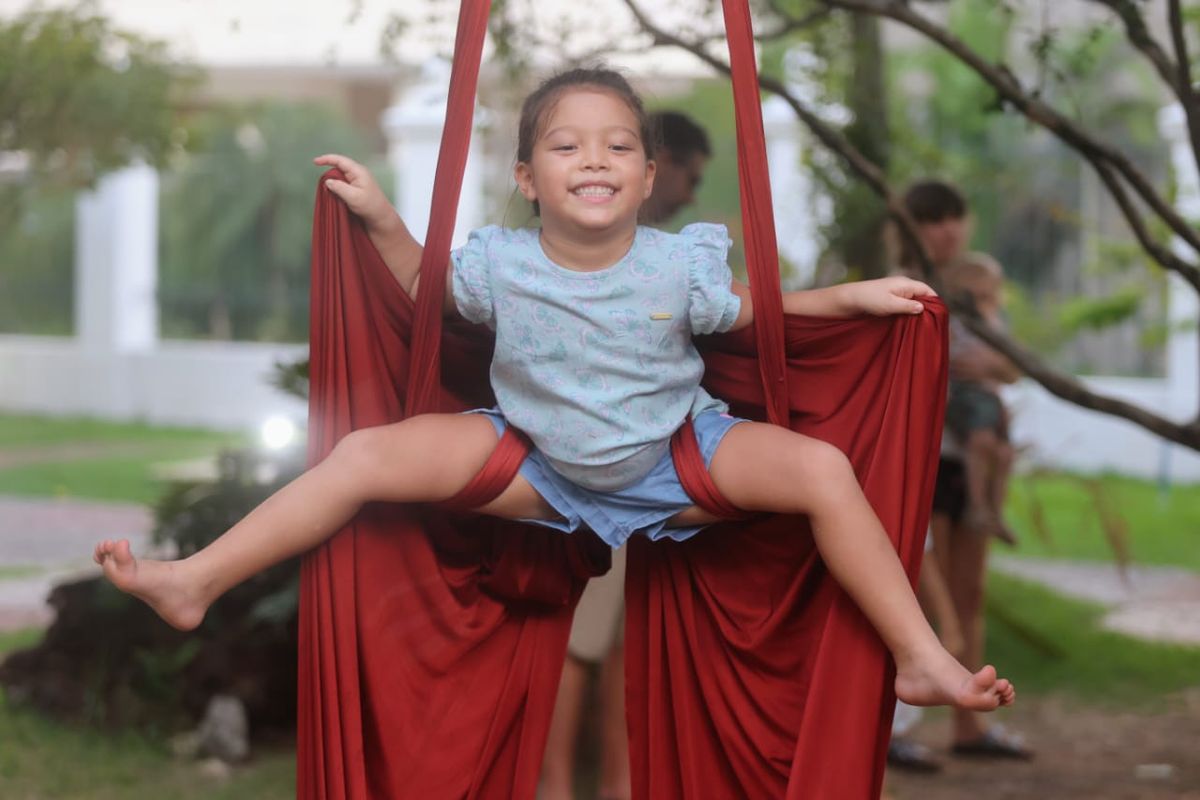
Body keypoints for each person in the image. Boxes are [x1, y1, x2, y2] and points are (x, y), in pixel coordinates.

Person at [93, 69, 1014, 754]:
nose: (595, 159)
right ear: (529, 177)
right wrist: (380, 218)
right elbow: (425, 292)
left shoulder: (677, 260)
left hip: (674, 458)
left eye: (618, 145)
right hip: (532, 465)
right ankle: (197, 579)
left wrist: (845, 300)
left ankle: (920, 656)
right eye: (567, 145)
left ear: (649, 176)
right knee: (369, 455)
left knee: (822, 472)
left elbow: (744, 313)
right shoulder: (498, 261)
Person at [541, 108, 713, 800]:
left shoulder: (664, 254)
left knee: (620, 644)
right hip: (582, 472)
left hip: (649, 470)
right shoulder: (583, 248)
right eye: (689, 176)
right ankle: (552, 785)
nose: (691, 193)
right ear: (657, 166)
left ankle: (619, 785)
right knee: (579, 643)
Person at [900, 180, 1033, 761]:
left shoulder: (978, 287)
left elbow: (1013, 367)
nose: (946, 230)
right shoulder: (901, 287)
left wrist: (984, 363)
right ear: (910, 226)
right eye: (932, 219)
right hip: (923, 460)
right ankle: (891, 734)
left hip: (967, 459)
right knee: (923, 603)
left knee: (968, 593)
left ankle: (969, 728)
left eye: (954, 217)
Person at [943, 252, 1018, 545]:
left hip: (989, 395)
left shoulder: (996, 322)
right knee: (981, 443)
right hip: (967, 393)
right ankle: (977, 506)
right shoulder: (957, 322)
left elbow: (1011, 367)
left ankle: (995, 512)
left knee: (1004, 455)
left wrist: (994, 368)